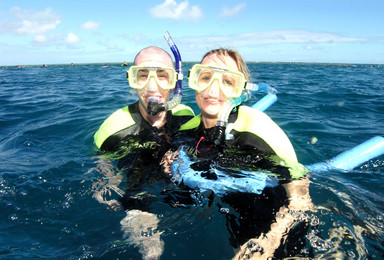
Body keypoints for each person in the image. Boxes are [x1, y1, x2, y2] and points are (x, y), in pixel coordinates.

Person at [167, 48, 313, 259]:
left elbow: (300, 195)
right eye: (205, 77)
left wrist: (268, 243)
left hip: (273, 221)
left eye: (227, 81)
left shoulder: (257, 127)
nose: (213, 89)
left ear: (240, 89)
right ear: (194, 80)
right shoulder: (186, 130)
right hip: (228, 212)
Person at [92, 46, 194, 260]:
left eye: (162, 76)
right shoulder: (112, 130)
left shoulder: (185, 115)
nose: (152, 86)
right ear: (132, 80)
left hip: (175, 182)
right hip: (136, 184)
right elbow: (103, 165)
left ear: (175, 82)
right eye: (143, 76)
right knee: (151, 248)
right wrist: (106, 184)